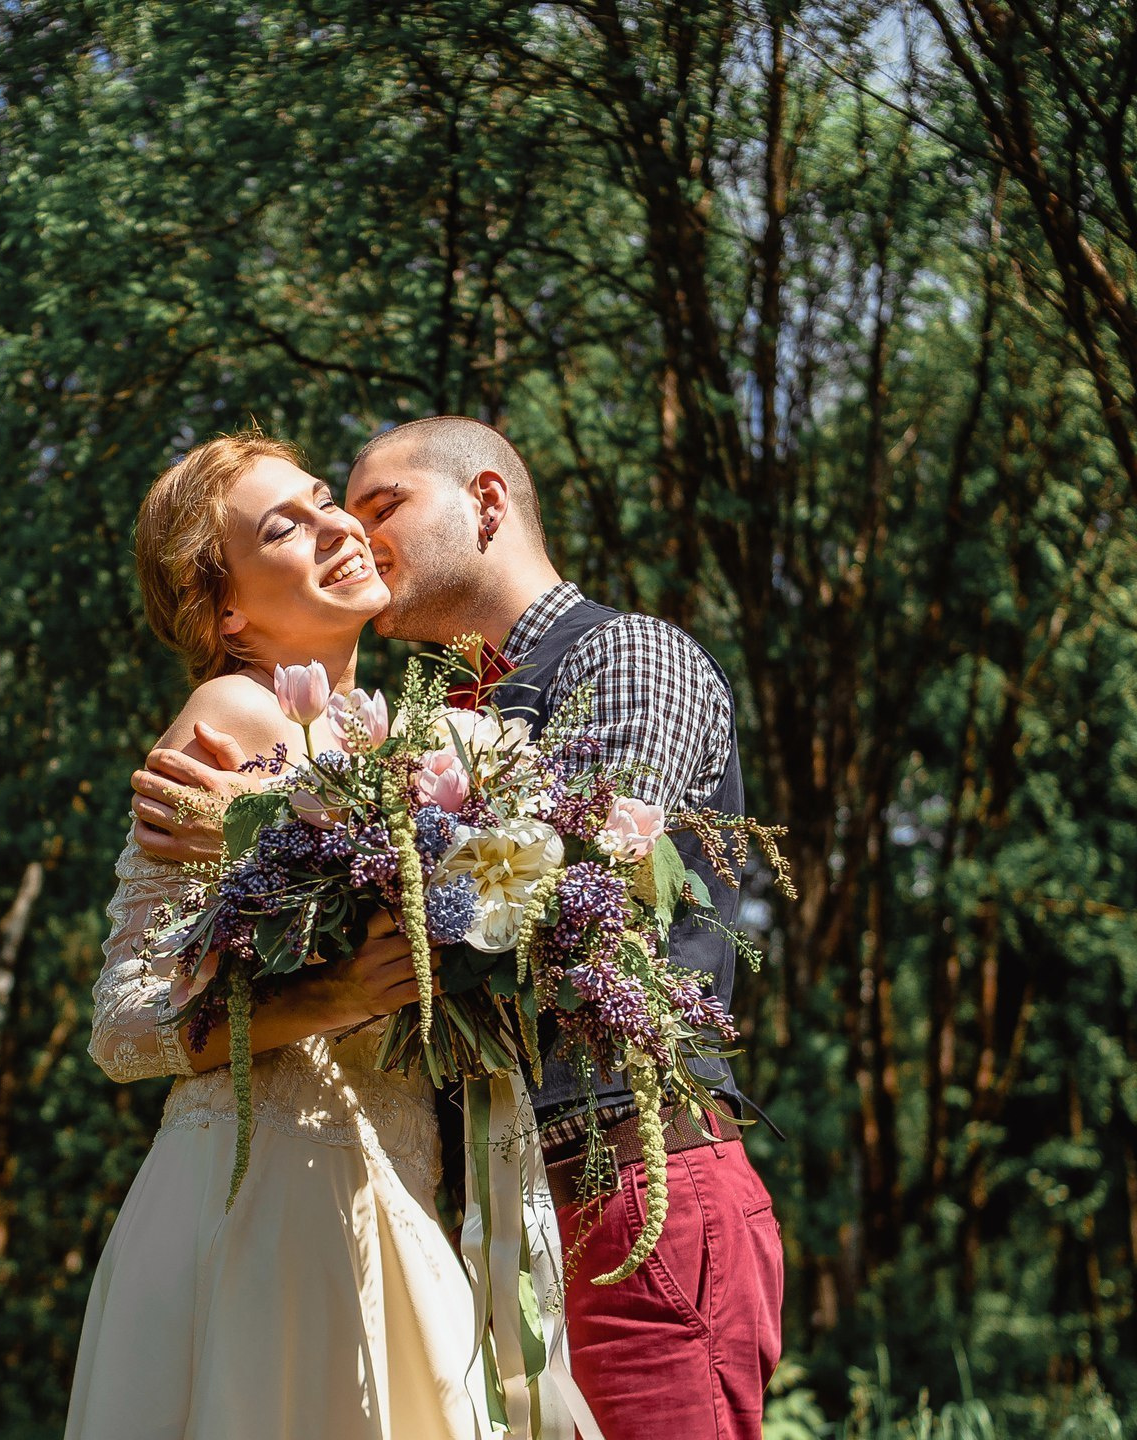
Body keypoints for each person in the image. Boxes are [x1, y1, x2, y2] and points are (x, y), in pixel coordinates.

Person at [132, 416, 783, 1440]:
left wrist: (263, 826)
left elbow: (561, 894)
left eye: (377, 504)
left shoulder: (627, 654)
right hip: (475, 1204)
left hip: (624, 1175)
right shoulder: (414, 722)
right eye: (320, 512)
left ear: (485, 504)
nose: (354, 528)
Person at [65, 431, 486, 1440]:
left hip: (390, 1183)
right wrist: (329, 999)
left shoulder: (387, 740)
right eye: (283, 526)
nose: (334, 526)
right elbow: (125, 1027)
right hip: (271, 1200)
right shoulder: (233, 716)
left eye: (318, 499)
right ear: (228, 613)